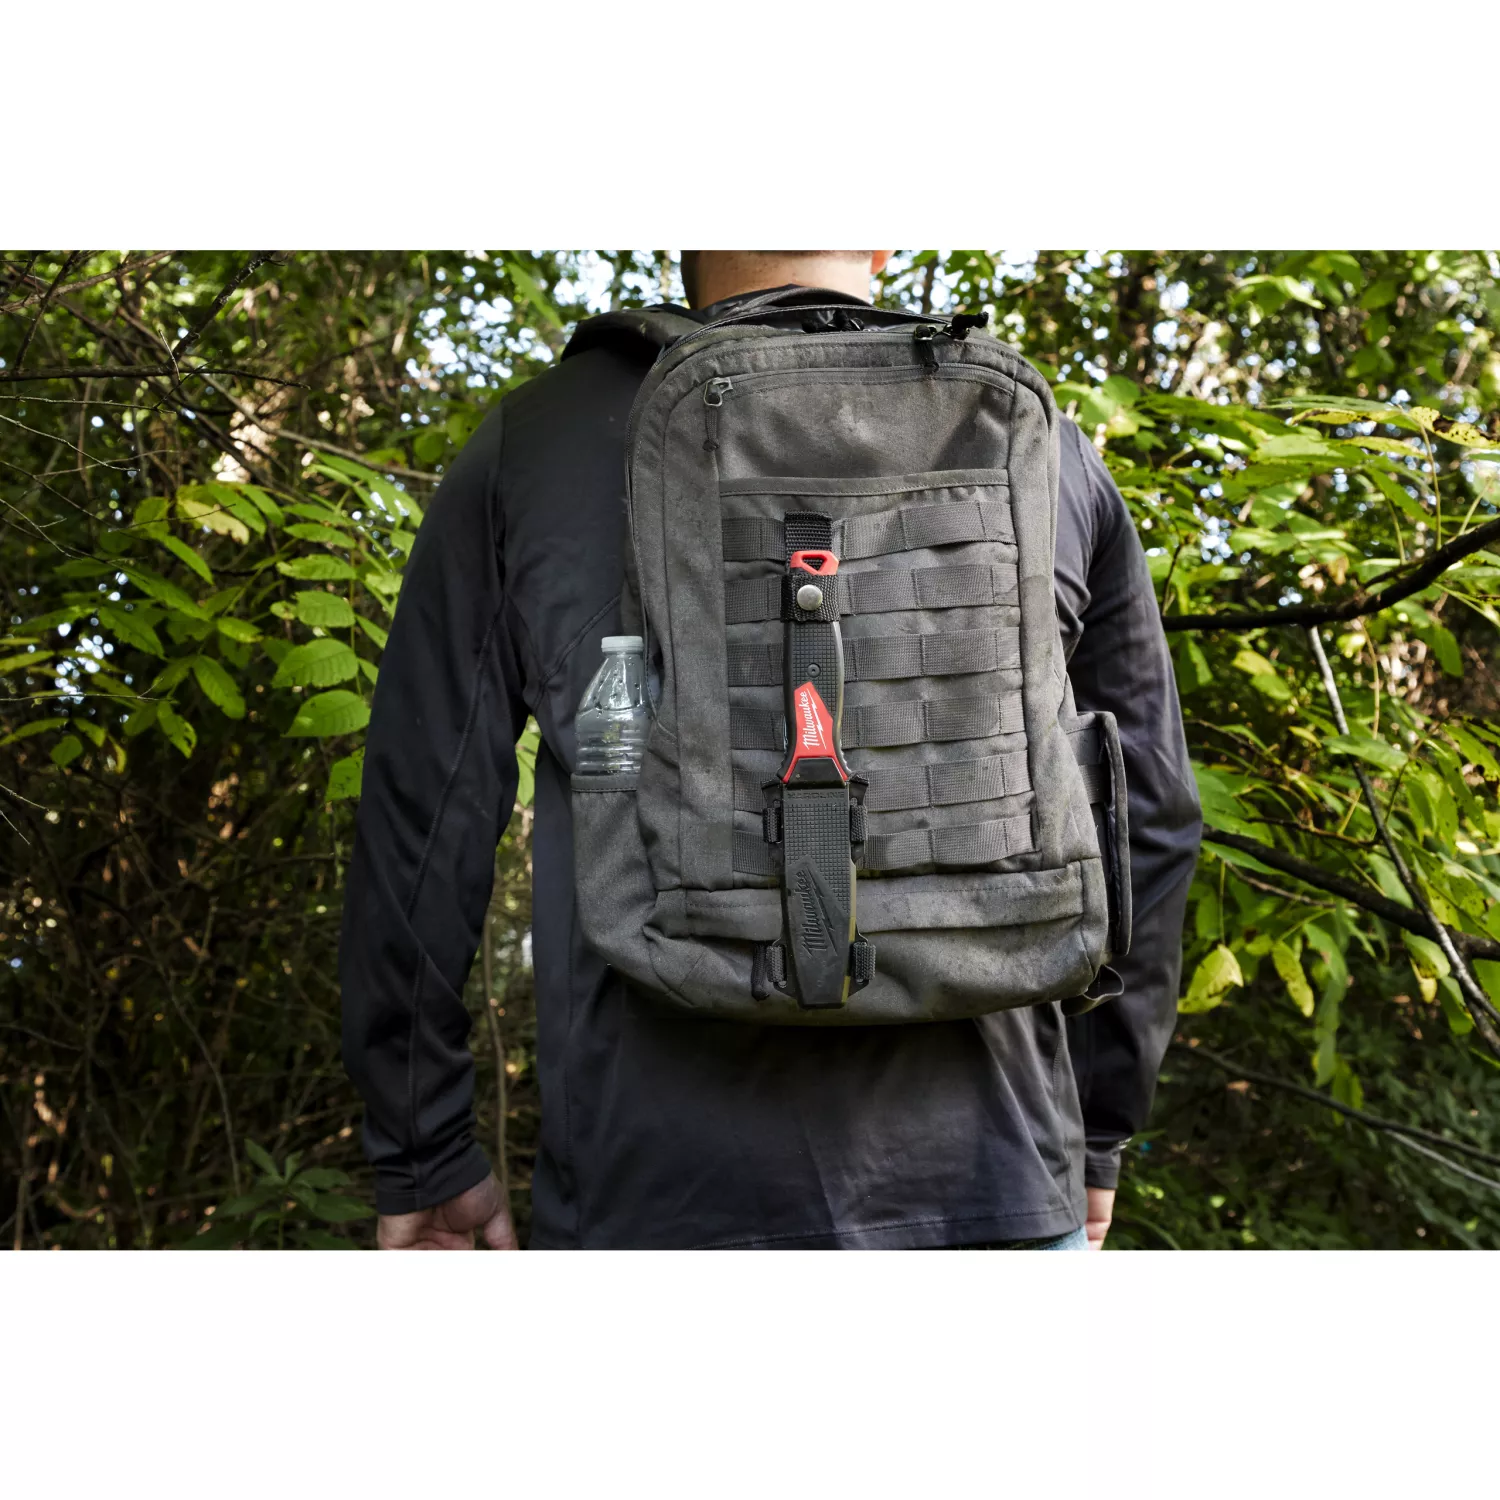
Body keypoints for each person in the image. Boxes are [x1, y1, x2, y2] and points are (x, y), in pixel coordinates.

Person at [339, 251, 1202, 1251]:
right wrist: (1097, 1130)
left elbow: (424, 814)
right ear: (881, 246)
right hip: (997, 1171)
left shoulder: (540, 440)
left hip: (646, 1190)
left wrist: (424, 1146)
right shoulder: (1038, 445)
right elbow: (1149, 811)